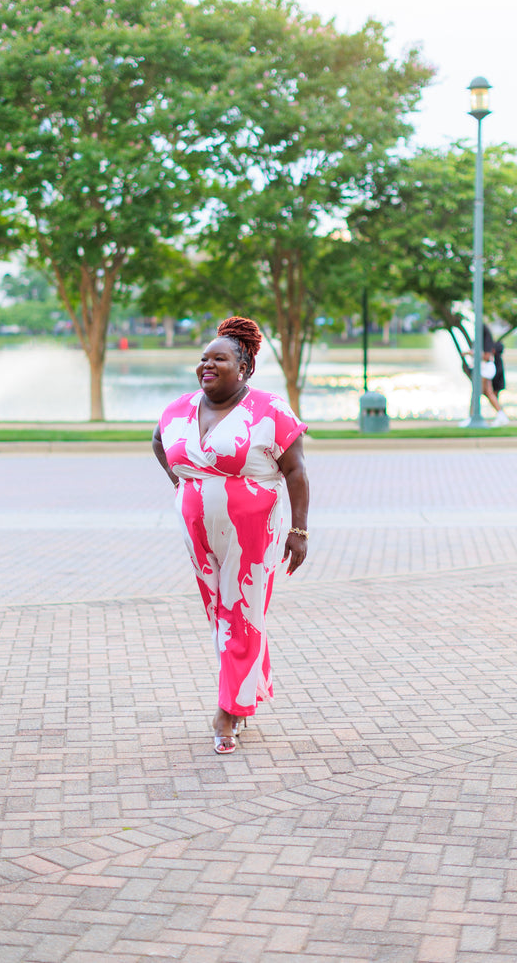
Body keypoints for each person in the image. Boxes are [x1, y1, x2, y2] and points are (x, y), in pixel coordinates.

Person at [152, 316, 310, 756]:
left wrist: (298, 531)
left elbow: (296, 471)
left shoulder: (269, 409)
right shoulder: (180, 407)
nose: (207, 365)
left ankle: (229, 710)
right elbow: (159, 443)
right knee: (222, 613)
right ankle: (248, 685)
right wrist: (185, 485)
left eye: (219, 359)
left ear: (244, 369)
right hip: (197, 532)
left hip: (254, 529)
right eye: (203, 358)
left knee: (240, 610)